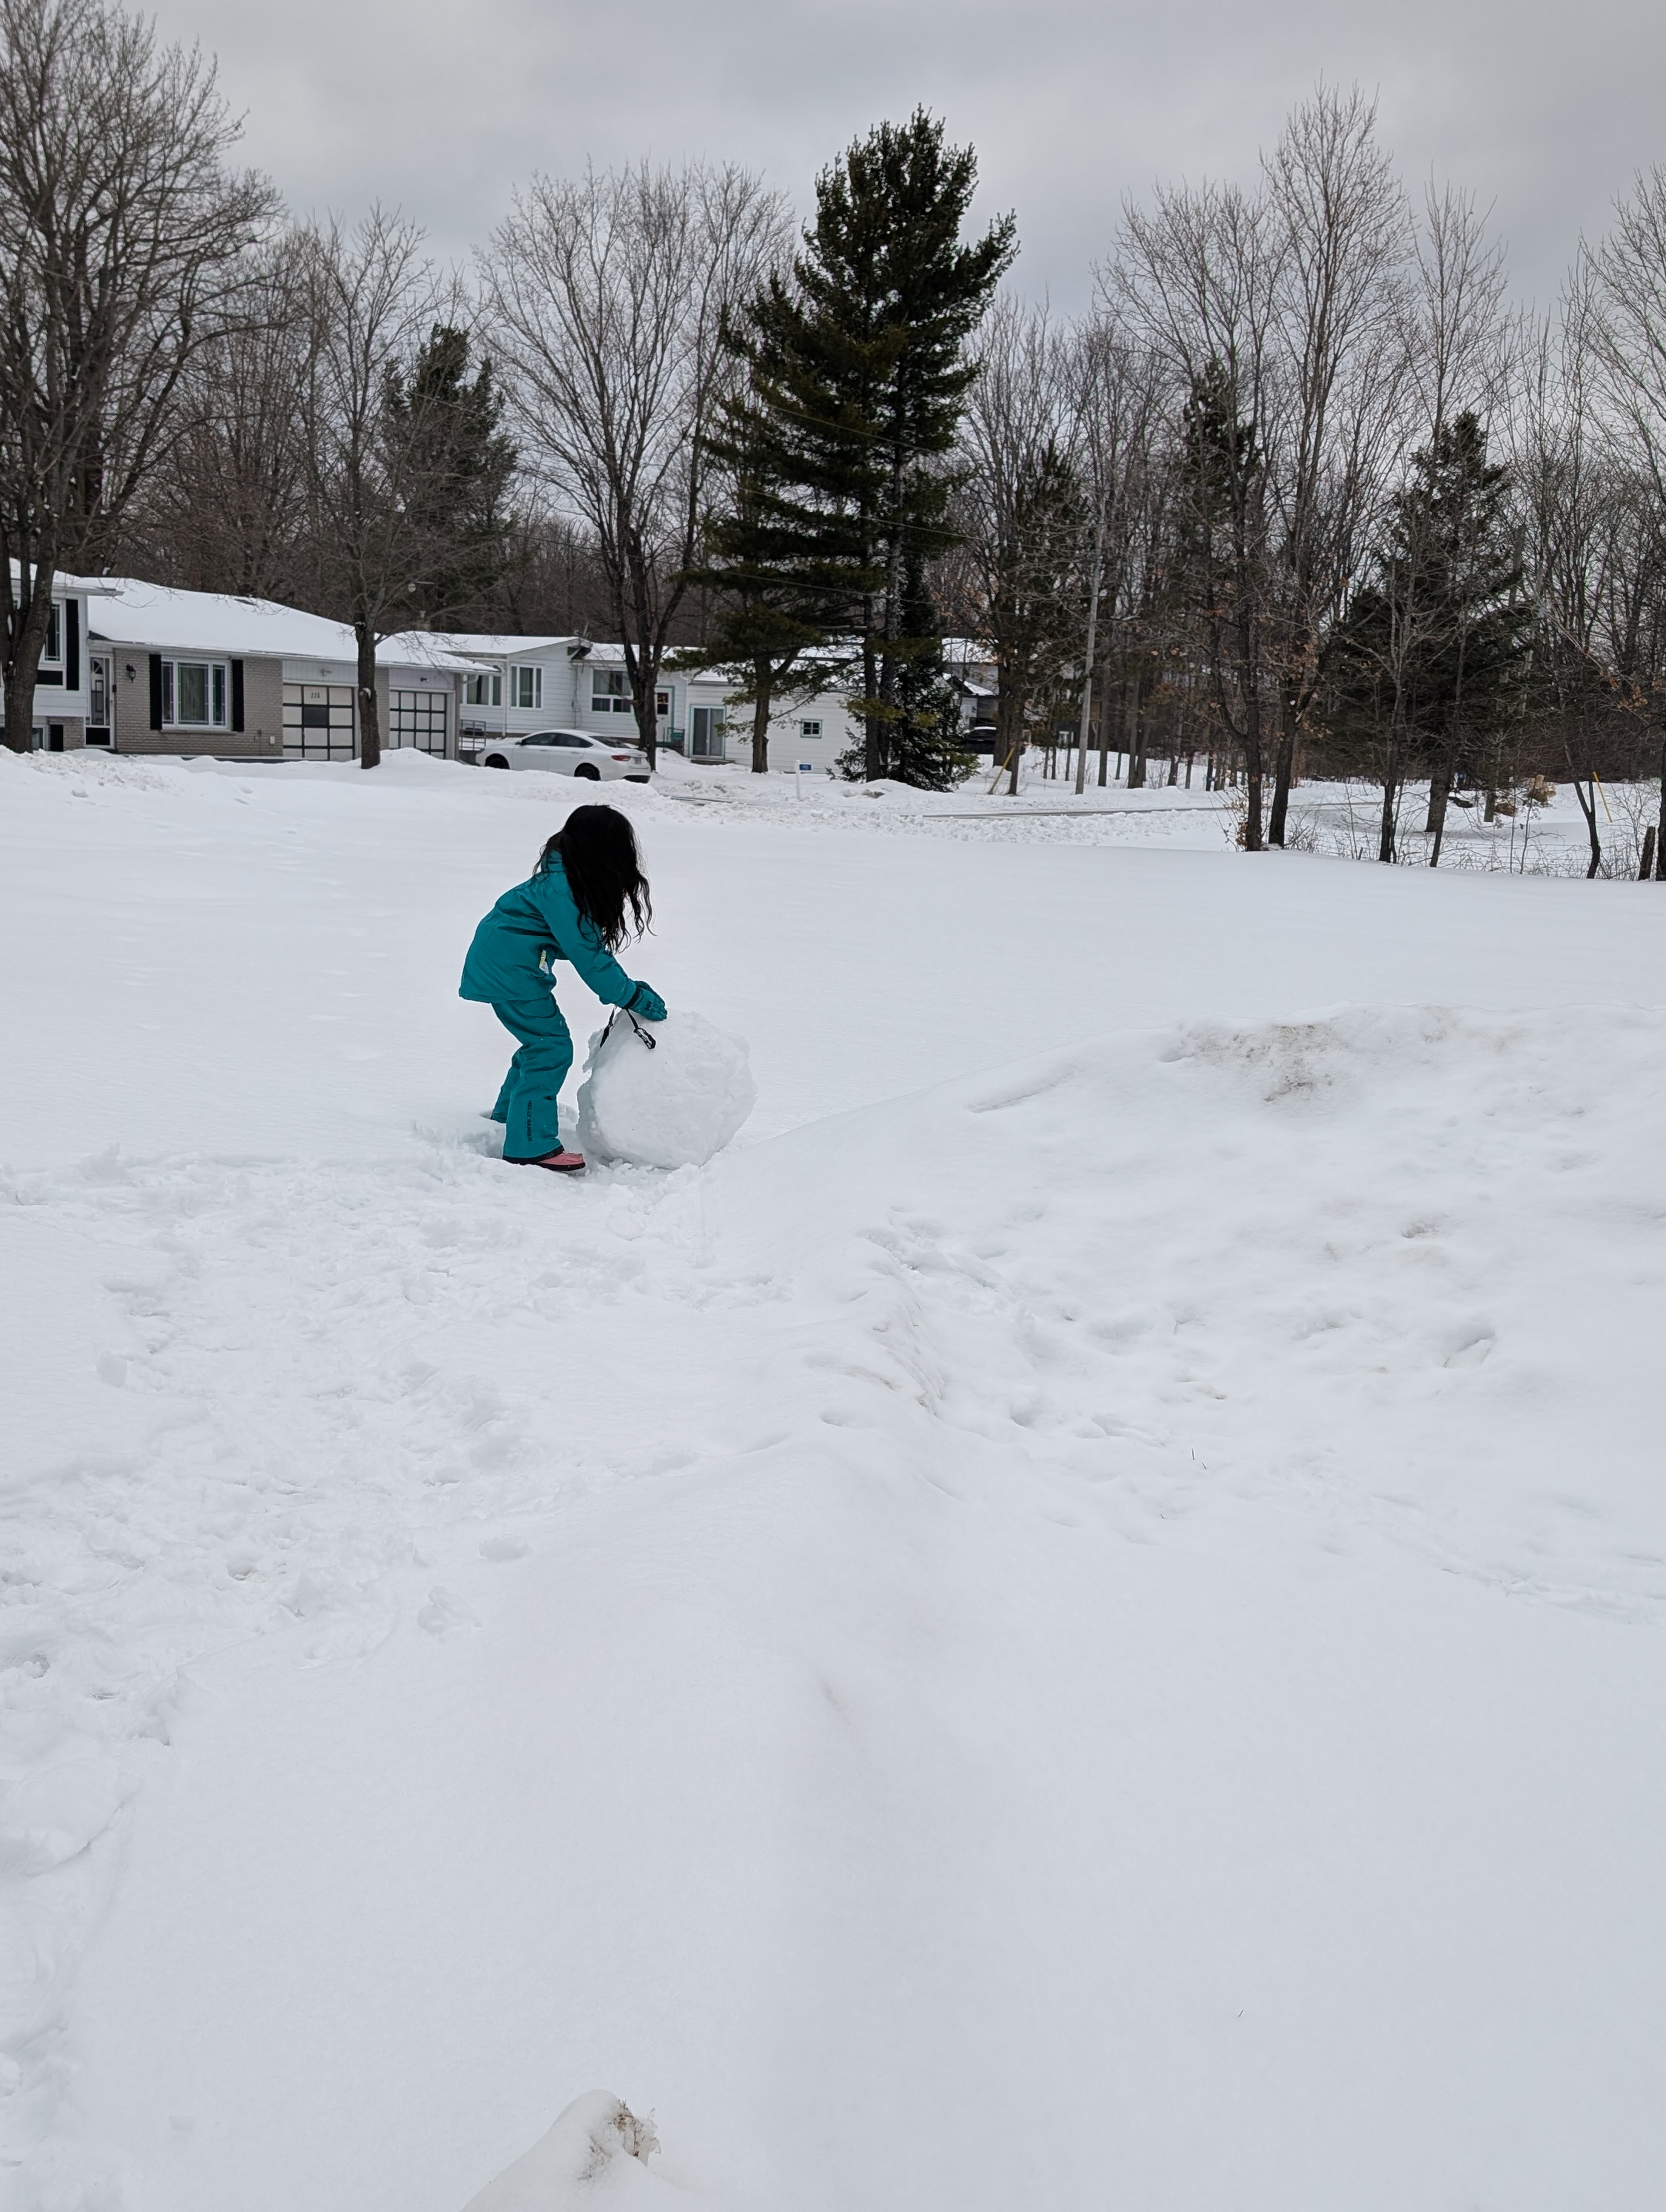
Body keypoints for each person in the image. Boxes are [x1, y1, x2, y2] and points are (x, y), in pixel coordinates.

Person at [460, 805, 665, 1173]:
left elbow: (581, 947)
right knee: (550, 1048)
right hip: (509, 970)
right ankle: (530, 1145)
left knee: (539, 1043)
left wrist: (625, 988)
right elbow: (590, 958)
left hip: (506, 964)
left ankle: (511, 1116)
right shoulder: (563, 890)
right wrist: (632, 997)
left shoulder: (564, 879)